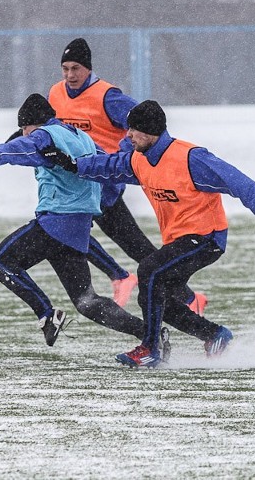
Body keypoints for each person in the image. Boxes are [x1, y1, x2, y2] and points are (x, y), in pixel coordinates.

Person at [42, 99, 255, 367]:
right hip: (180, 240)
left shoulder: (190, 158)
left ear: (149, 132)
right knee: (155, 296)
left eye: (133, 130)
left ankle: (150, 349)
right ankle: (214, 335)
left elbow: (234, 179)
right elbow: (108, 166)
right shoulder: (140, 159)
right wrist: (73, 164)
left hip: (206, 239)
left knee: (149, 271)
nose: (128, 135)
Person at [0, 93, 170, 355]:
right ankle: (149, 333)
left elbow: (28, 147)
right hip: (78, 228)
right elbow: (104, 166)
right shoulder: (80, 136)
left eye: (24, 129)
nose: (24, 134)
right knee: (88, 302)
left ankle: (47, 315)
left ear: (32, 125)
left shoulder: (44, 135)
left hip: (56, 223)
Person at [47, 38, 207, 315]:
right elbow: (49, 129)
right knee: (78, 232)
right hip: (77, 181)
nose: (70, 75)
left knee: (73, 230)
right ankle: (165, 289)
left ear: (88, 68)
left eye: (76, 68)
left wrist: (121, 156)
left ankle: (134, 280)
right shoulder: (56, 94)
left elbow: (142, 120)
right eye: (65, 68)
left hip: (104, 181)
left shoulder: (107, 96)